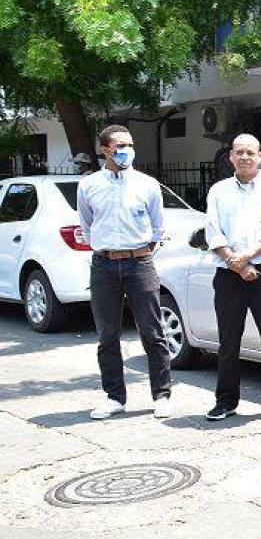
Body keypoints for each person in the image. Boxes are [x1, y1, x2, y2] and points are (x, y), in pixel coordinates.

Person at [79, 125, 174, 420]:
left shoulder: (146, 184)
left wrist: (139, 251)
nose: (126, 151)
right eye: (120, 146)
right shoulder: (89, 185)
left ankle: (162, 395)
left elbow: (157, 228)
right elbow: (87, 224)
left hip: (140, 262)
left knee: (153, 331)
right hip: (104, 264)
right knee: (108, 334)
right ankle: (114, 397)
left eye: (130, 145)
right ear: (106, 149)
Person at [203, 134, 261, 422]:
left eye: (250, 152)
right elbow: (213, 231)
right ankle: (225, 402)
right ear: (231, 156)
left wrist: (245, 257)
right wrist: (235, 262)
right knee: (228, 342)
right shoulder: (218, 191)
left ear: (260, 157)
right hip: (227, 273)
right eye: (239, 152)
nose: (245, 157)